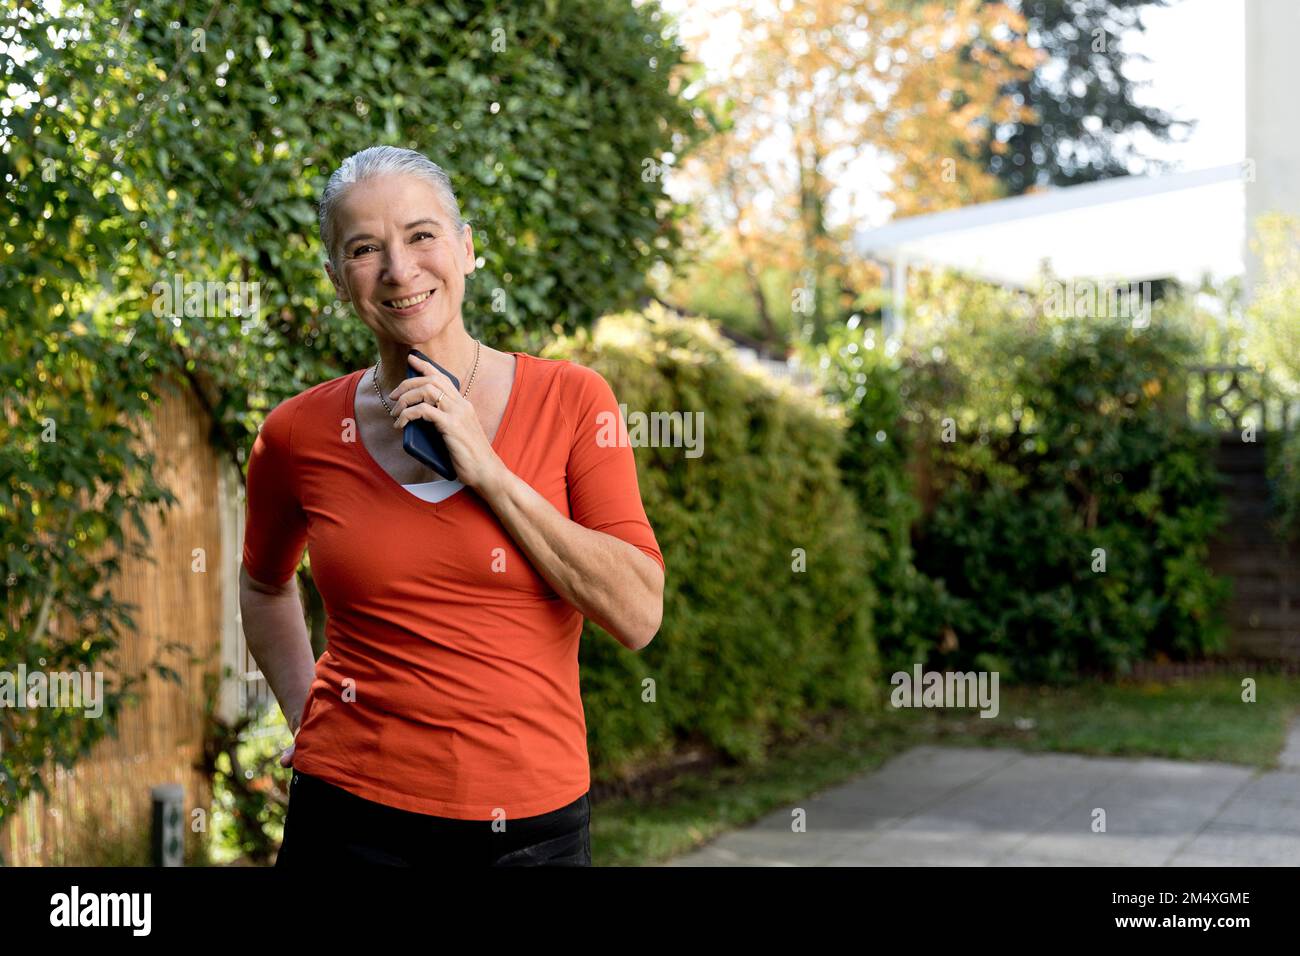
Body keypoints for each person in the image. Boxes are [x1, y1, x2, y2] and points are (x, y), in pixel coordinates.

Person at [238, 145, 666, 867]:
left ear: (466, 249)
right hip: (346, 820)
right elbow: (263, 582)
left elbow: (637, 615)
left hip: (528, 833)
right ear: (339, 279)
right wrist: (303, 708)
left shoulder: (572, 400)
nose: (400, 270)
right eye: (365, 249)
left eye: (421, 234)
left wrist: (489, 471)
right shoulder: (295, 433)